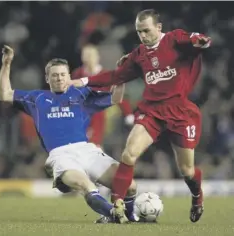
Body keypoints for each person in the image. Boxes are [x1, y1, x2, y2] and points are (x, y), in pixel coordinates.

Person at [70, 9, 212, 223]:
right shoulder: (139, 55)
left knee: (187, 171)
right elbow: (116, 76)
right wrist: (84, 81)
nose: (143, 36)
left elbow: (194, 40)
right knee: (129, 154)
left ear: (159, 27)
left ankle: (197, 196)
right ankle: (116, 205)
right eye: (139, 32)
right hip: (152, 110)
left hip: (181, 112)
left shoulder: (174, 39)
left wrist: (201, 40)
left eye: (146, 30)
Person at [0, 45, 137, 224]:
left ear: (70, 76)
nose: (59, 78)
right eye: (54, 75)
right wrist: (7, 64)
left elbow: (116, 98)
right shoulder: (37, 98)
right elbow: (4, 94)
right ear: (47, 78)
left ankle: (131, 218)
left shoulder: (81, 94)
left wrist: (121, 75)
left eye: (63, 74)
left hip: (87, 151)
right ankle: (113, 214)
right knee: (87, 186)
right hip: (61, 156)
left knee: (130, 186)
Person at [72, 44, 134, 147]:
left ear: (97, 58)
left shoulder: (105, 75)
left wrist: (128, 114)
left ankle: (96, 147)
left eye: (91, 56)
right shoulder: (77, 75)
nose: (89, 59)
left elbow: (118, 95)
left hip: (97, 114)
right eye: (86, 56)